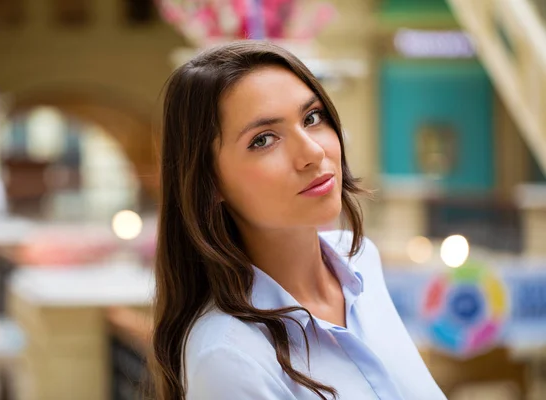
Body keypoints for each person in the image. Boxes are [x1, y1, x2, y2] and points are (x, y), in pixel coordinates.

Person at [149, 41, 446, 400]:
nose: (312, 152)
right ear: (209, 183)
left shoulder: (361, 262)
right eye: (263, 140)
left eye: (312, 118)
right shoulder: (229, 358)